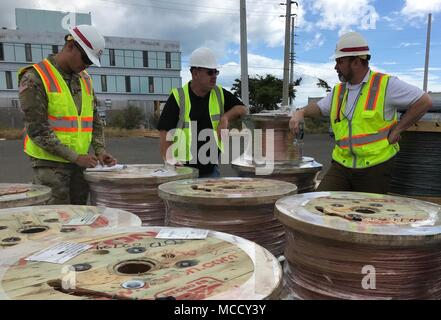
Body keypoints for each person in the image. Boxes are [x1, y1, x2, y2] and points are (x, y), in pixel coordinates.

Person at [289, 32, 432, 194]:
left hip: (375, 166)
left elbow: (424, 101)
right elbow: (320, 108)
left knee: (367, 215)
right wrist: (301, 112)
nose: (336, 67)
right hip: (341, 165)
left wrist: (399, 129)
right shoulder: (339, 91)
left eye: (340, 61)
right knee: (319, 206)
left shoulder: (386, 84)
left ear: (356, 62)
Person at [18, 25, 116, 204]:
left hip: (80, 165)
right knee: (56, 219)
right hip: (50, 167)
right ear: (70, 45)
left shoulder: (84, 79)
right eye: (85, 58)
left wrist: (100, 151)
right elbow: (37, 130)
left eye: (91, 62)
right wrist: (76, 157)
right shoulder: (35, 77)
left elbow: (94, 120)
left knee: (80, 218)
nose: (86, 65)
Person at [158, 47, 247, 177]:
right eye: (210, 72)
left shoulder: (219, 93)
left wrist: (225, 118)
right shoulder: (178, 97)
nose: (214, 77)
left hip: (210, 170)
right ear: (195, 73)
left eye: (216, 72)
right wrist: (169, 160)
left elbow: (243, 109)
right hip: (182, 171)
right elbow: (164, 131)